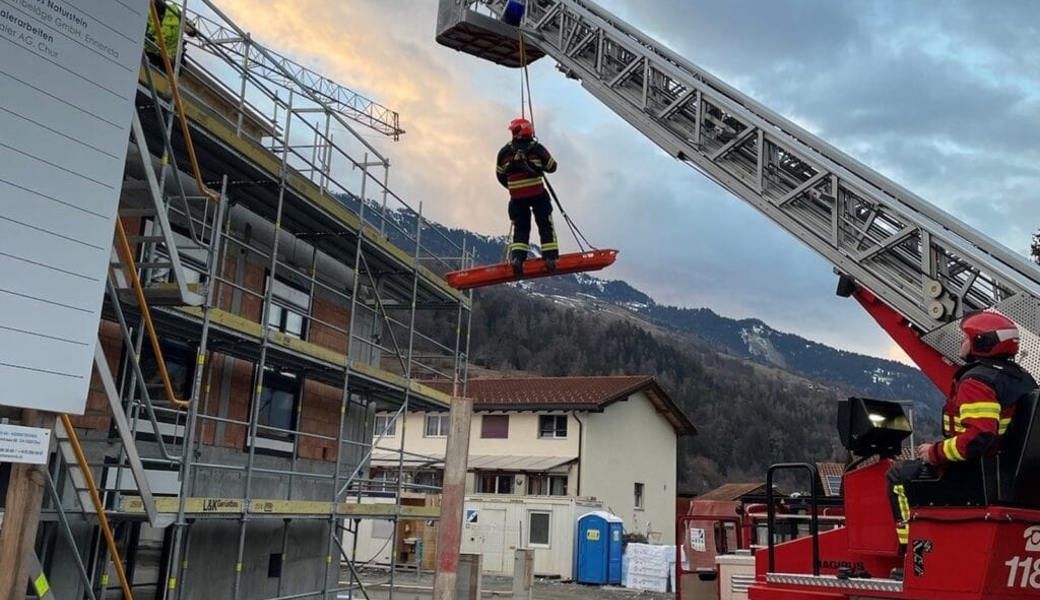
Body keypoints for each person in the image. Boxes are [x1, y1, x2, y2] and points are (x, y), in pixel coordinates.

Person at [887, 310, 1037, 548]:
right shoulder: (1023, 379)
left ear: (981, 342)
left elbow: (979, 437)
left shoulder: (977, 382)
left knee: (899, 476)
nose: (961, 342)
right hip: (1012, 475)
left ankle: (910, 553)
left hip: (977, 474)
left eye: (966, 337)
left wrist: (934, 452)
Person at [496, 117, 559, 276]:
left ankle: (517, 259)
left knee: (521, 228)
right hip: (537, 193)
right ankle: (550, 258)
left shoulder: (504, 152)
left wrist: (514, 187)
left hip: (517, 198)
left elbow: (500, 175)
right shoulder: (537, 148)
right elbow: (552, 167)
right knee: (545, 224)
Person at [145, 0, 197, 67]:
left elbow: (191, 29)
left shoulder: (173, 12)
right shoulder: (147, 13)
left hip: (170, 57)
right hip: (153, 52)